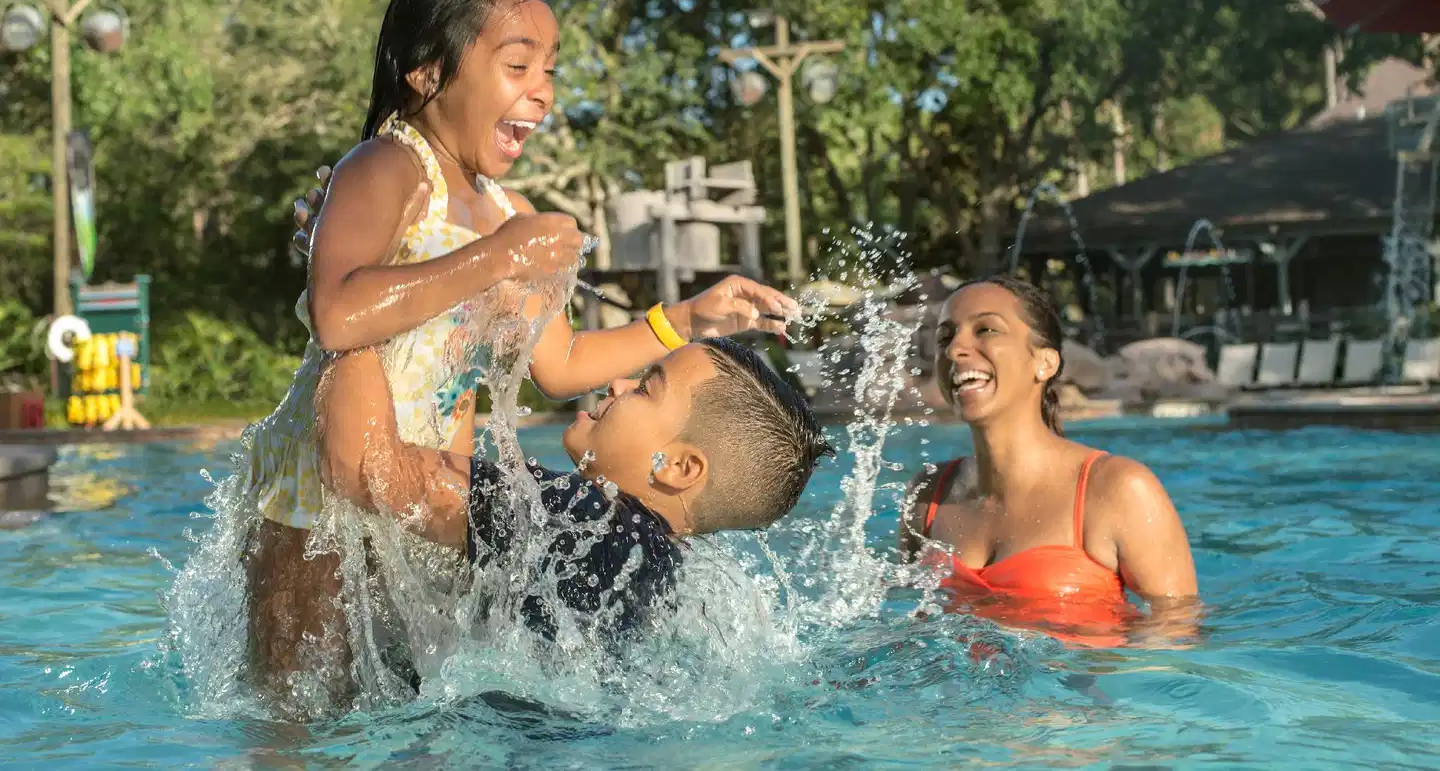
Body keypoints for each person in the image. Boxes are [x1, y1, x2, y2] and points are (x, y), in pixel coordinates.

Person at [242, 0, 797, 706]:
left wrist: (685, 320)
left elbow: (563, 364)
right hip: (317, 501)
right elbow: (340, 313)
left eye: (550, 69)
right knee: (300, 715)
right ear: (428, 72)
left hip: (418, 488)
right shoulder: (385, 168)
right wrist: (493, 260)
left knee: (410, 707)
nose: (542, 89)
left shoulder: (508, 210)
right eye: (517, 64)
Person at [316, 334, 832, 643]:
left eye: (647, 387)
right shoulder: (660, 563)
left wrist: (355, 312)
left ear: (677, 466)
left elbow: (364, 468)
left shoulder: (585, 517)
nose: (618, 384)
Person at [897, 276, 1198, 646]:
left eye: (986, 329)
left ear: (1044, 362)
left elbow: (1179, 636)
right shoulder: (927, 494)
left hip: (1076, 700)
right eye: (946, 337)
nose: (956, 348)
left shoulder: (1117, 489)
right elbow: (911, 628)